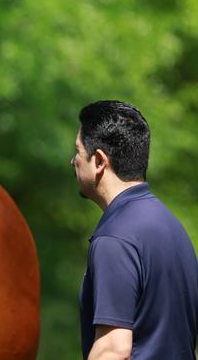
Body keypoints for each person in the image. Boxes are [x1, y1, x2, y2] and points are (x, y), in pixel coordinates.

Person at [71, 100, 198, 359]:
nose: (72, 161)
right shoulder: (171, 227)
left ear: (98, 161)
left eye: (78, 151)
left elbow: (113, 349)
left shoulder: (114, 237)